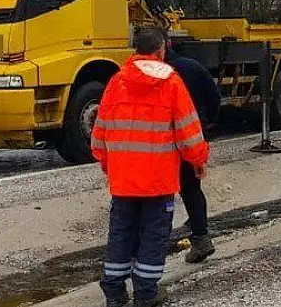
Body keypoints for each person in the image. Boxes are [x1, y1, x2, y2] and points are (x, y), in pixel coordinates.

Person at [91, 28, 210, 307]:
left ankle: (114, 291)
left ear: (135, 51)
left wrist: (108, 163)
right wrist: (198, 160)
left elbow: (100, 134)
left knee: (121, 231)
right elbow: (189, 131)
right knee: (153, 234)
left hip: (123, 180)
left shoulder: (116, 81)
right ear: (161, 51)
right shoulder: (171, 82)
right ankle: (146, 292)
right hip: (158, 180)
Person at [164, 39, 221, 264]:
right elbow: (214, 97)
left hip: (161, 145)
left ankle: (152, 249)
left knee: (161, 195)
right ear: (168, 43)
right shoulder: (192, 66)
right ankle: (200, 238)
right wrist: (207, 125)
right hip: (192, 140)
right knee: (191, 189)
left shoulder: (155, 75)